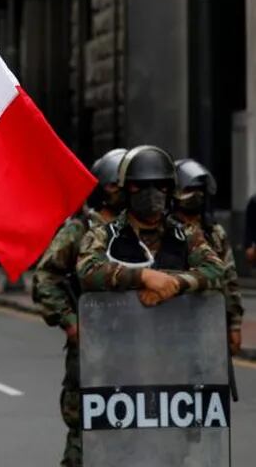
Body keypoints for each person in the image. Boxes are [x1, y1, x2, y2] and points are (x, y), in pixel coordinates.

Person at [32, 147, 126, 467]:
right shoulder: (81, 228)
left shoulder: (144, 231)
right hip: (92, 348)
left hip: (141, 346)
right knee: (85, 433)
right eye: (113, 184)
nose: (120, 191)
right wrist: (71, 323)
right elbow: (45, 277)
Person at [77, 144, 225, 305]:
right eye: (138, 186)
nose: (151, 193)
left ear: (169, 190)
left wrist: (175, 283)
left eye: (160, 185)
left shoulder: (186, 234)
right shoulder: (105, 234)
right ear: (126, 189)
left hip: (176, 326)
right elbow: (87, 271)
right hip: (120, 325)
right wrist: (143, 276)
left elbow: (215, 269)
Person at [172, 158, 244, 355]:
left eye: (199, 190)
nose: (194, 196)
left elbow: (229, 278)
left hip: (209, 319)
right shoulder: (166, 230)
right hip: (171, 321)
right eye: (188, 190)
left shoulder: (214, 232)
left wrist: (234, 325)